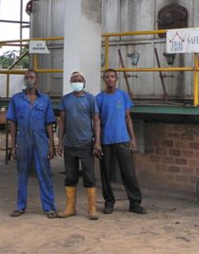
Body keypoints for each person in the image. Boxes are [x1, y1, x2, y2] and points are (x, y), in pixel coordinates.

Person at [6, 69, 57, 218]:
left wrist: (51, 145)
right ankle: (20, 206)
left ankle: (49, 207)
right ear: (24, 80)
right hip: (23, 139)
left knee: (44, 173)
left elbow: (49, 123)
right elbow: (12, 124)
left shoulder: (45, 99)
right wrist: (13, 146)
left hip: (40, 139)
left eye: (32, 77)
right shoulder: (16, 99)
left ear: (37, 80)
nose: (29, 79)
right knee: (22, 174)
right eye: (27, 77)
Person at [96, 68, 146, 215]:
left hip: (122, 140)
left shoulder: (123, 96)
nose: (110, 79)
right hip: (106, 141)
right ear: (104, 80)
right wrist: (97, 141)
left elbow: (127, 118)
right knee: (106, 174)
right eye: (107, 77)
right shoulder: (99, 98)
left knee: (129, 173)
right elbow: (97, 121)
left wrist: (133, 138)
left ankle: (135, 203)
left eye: (112, 76)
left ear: (116, 79)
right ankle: (109, 203)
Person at [57, 71, 102, 220]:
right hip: (70, 144)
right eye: (74, 80)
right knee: (70, 176)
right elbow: (62, 121)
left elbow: (96, 120)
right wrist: (60, 142)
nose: (77, 82)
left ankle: (92, 208)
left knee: (89, 176)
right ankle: (70, 208)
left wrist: (97, 142)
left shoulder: (90, 99)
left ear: (84, 82)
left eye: (79, 80)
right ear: (70, 82)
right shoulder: (65, 99)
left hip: (86, 144)